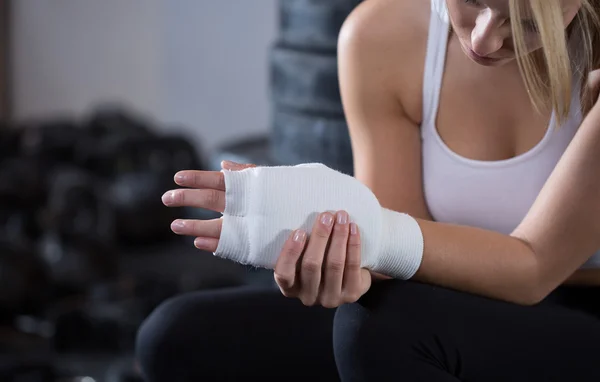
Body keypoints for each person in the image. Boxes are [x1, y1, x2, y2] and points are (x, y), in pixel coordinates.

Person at [137, 0, 600, 380]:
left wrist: (375, 238)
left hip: (584, 317)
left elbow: (535, 267)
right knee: (178, 336)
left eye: (522, 23)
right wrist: (345, 259)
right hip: (455, 302)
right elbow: (400, 260)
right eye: (474, 2)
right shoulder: (381, 35)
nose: (483, 38)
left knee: (381, 328)